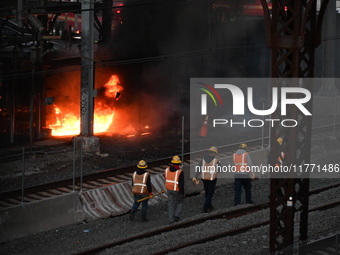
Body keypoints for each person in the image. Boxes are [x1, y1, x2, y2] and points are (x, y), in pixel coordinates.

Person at [192, 146, 221, 213]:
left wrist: (196, 177)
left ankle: (210, 206)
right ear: (215, 153)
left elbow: (199, 169)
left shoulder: (203, 160)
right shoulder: (216, 161)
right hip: (212, 179)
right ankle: (205, 208)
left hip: (204, 178)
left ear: (209, 152)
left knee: (207, 192)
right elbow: (219, 170)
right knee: (210, 193)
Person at [164, 155, 185, 224]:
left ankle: (171, 220)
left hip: (169, 189)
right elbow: (181, 184)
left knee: (170, 204)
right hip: (176, 190)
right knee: (180, 202)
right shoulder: (179, 172)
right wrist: (182, 193)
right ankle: (177, 216)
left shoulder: (167, 170)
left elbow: (166, 178)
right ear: (179, 163)